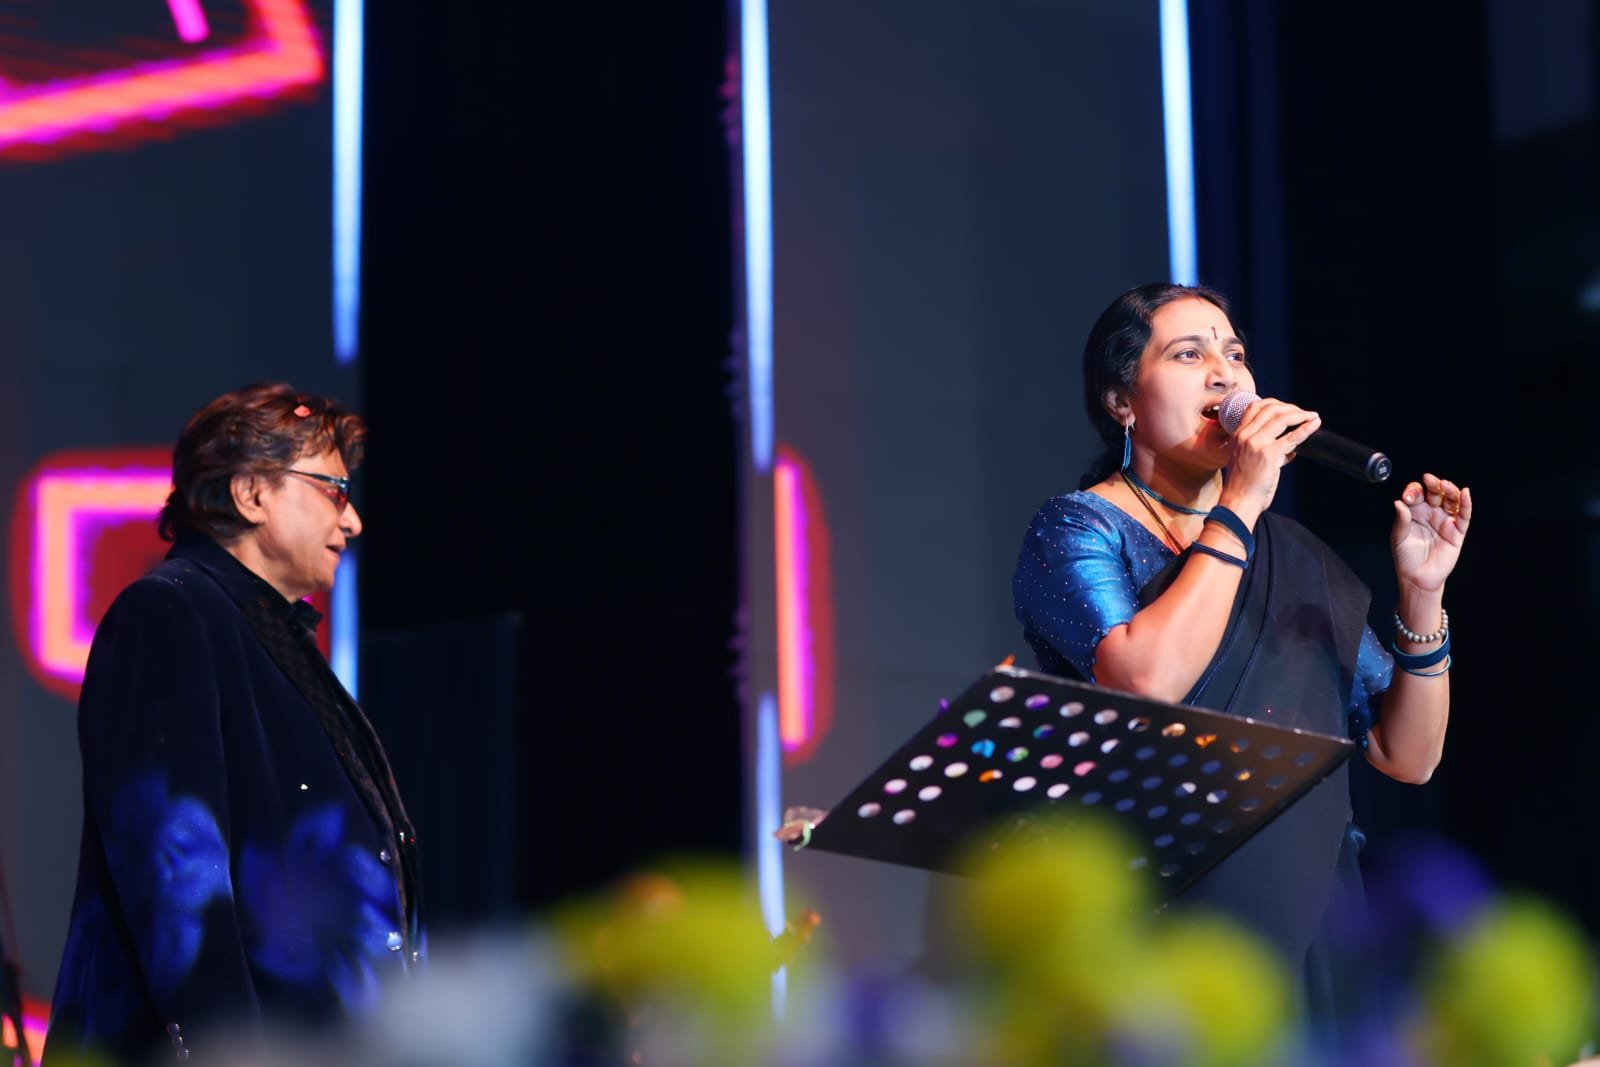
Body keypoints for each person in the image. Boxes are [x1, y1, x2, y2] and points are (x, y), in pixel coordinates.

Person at [1011, 283, 1469, 1040]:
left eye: (1234, 353)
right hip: (1163, 913)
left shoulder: (1295, 557)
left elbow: (1407, 756)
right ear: (1122, 402)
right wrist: (1243, 500)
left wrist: (1422, 595)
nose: (1224, 374)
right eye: (1189, 354)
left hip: (1314, 909)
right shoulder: (1078, 528)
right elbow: (1147, 678)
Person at [43, 383, 421, 1066]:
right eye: (334, 490)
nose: (354, 520)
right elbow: (177, 884)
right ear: (250, 494)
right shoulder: (169, 614)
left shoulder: (269, 635)